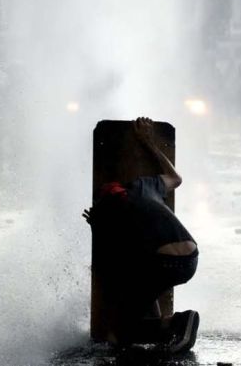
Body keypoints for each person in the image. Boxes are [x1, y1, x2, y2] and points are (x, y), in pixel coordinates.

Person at [83, 117, 199, 353]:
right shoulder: (144, 187)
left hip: (164, 263)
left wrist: (96, 225)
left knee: (119, 334)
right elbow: (176, 179)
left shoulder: (110, 211)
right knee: (142, 282)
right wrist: (149, 142)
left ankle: (182, 321)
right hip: (190, 257)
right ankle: (166, 329)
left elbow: (110, 262)